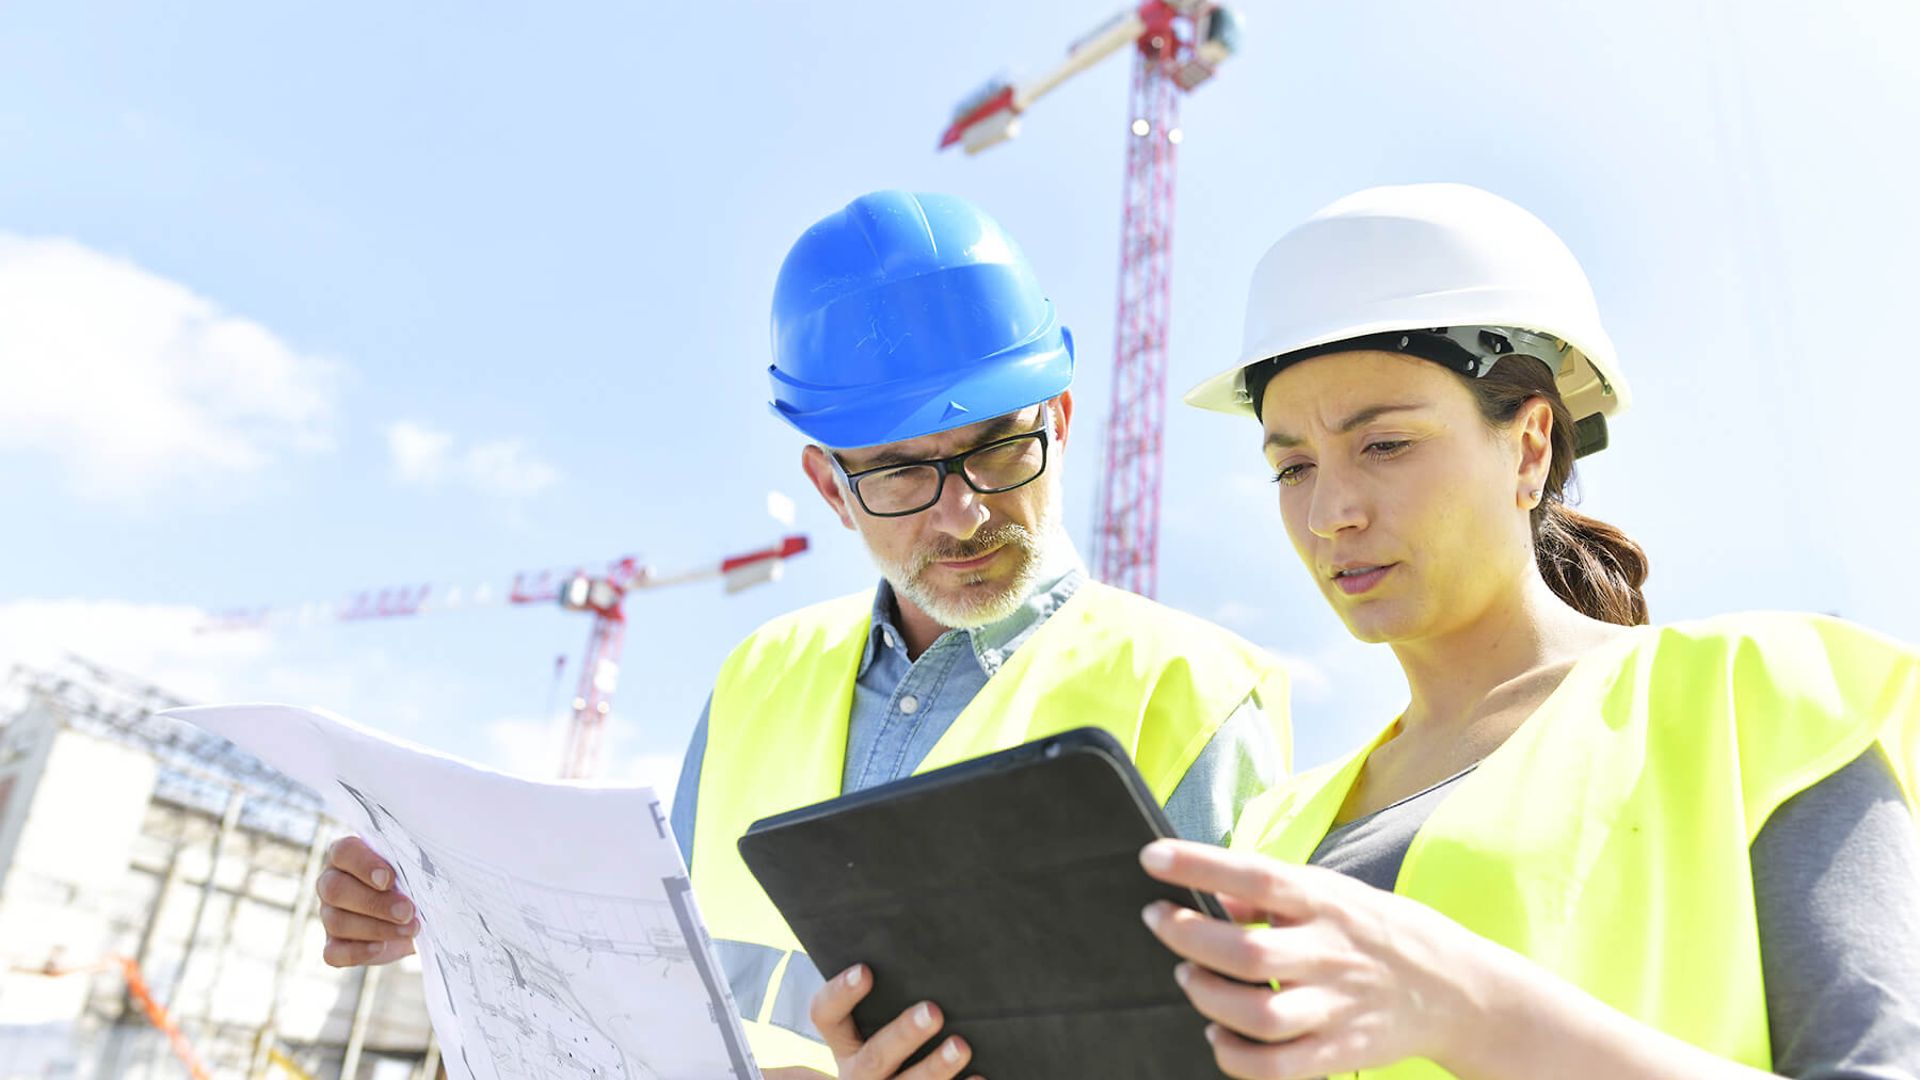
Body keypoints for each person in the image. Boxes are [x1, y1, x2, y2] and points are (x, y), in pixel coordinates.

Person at [808, 183, 1920, 1079]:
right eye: (1291, 464)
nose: (1331, 508)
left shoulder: (1757, 698)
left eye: (1384, 444)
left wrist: (1469, 1009)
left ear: (1529, 447)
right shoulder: (1275, 830)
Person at [311, 190, 1291, 1075]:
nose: (961, 513)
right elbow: (651, 996)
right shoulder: (761, 674)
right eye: (902, 473)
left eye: (998, 449)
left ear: (1062, 420)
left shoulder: (1197, 692)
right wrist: (445, 912)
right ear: (829, 487)